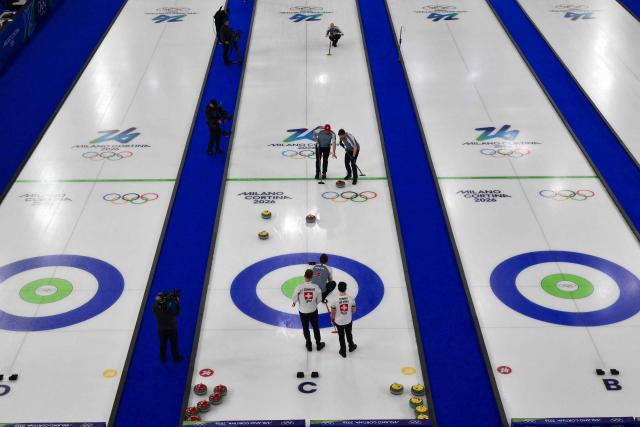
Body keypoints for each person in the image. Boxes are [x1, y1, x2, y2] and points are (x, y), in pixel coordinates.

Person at [292, 269, 325, 352]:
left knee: (305, 328)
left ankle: (309, 345)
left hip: (303, 311)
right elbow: (319, 299)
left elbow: (294, 298)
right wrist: (313, 304)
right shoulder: (316, 287)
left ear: (304, 276)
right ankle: (318, 344)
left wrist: (296, 302)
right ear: (312, 277)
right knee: (315, 327)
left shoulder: (299, 287)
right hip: (313, 310)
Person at [153, 290, 182, 362]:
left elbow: (176, 312)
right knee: (170, 344)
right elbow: (176, 313)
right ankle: (175, 358)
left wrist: (175, 302)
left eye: (159, 297)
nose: (156, 298)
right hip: (170, 328)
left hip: (165, 329)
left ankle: (164, 358)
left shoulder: (155, 306)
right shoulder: (158, 306)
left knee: (165, 344)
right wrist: (176, 303)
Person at [330, 282, 357, 358]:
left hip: (339, 322)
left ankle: (343, 351)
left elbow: (333, 312)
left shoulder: (334, 300)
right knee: (349, 333)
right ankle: (351, 346)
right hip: (348, 320)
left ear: (338, 289)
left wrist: (332, 318)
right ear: (346, 288)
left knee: (341, 336)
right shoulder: (350, 298)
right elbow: (354, 310)